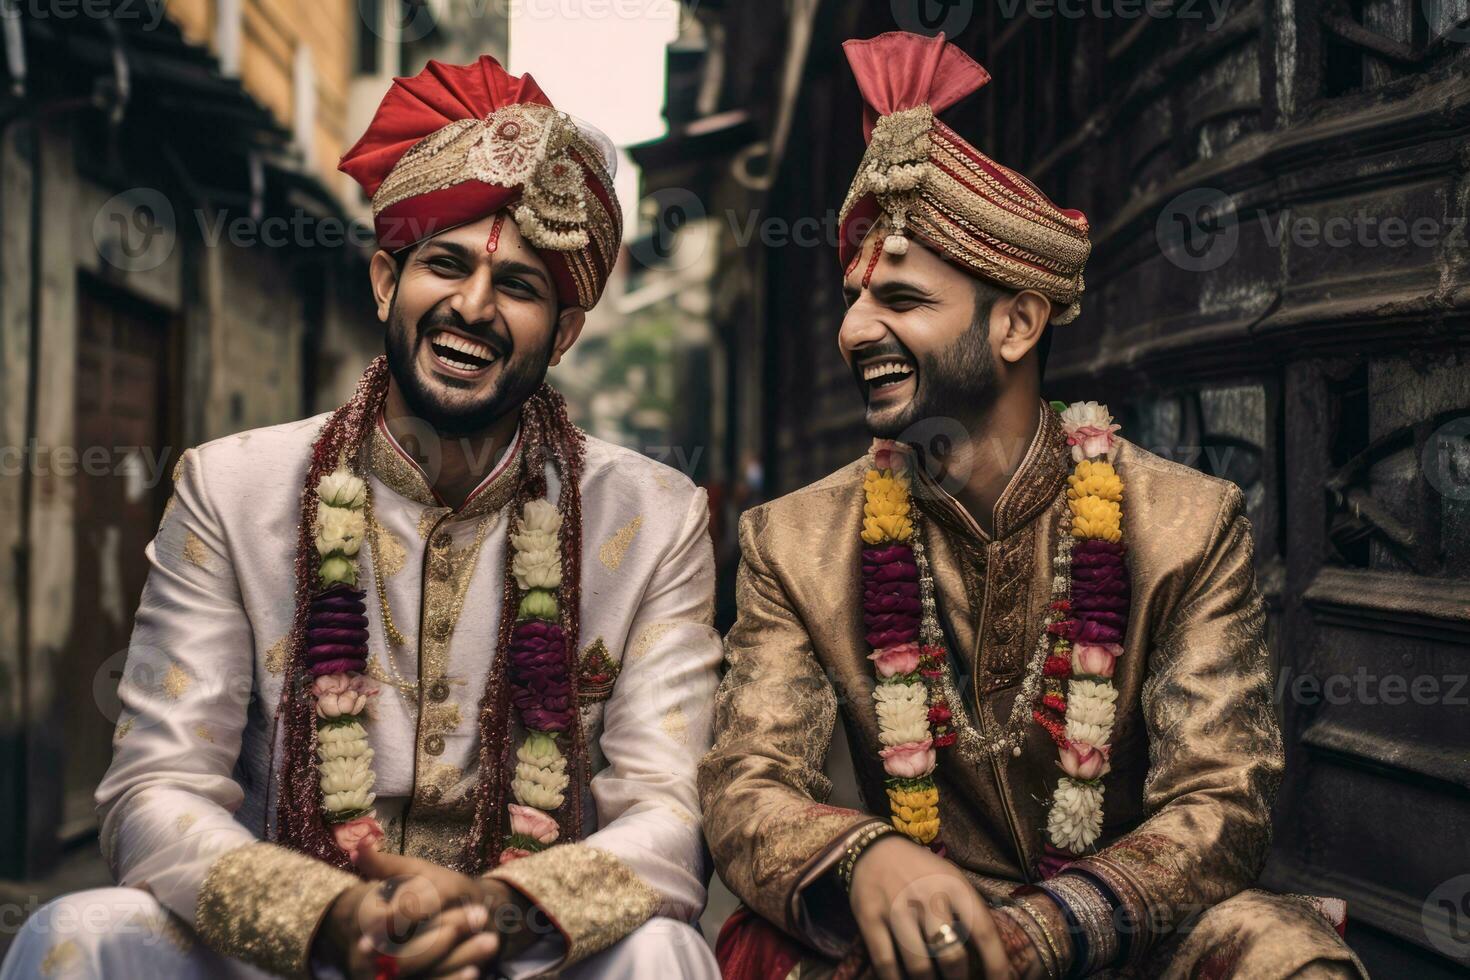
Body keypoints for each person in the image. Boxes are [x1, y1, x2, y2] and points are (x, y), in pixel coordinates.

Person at [2, 56, 721, 980]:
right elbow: (156, 788)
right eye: (445, 264)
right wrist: (328, 913)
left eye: (521, 287)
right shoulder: (233, 487)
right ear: (387, 280)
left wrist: (502, 909)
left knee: (663, 952)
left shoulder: (655, 518)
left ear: (565, 332)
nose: (473, 306)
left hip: (519, 950)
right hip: (289, 950)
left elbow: (670, 813)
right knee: (80, 934)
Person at [700, 31, 1365, 979]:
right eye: (854, 298)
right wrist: (868, 859)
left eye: (900, 298)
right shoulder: (796, 542)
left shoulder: (1186, 523)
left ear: (1015, 322)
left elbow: (1221, 803)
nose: (854, 330)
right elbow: (745, 785)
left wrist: (1048, 929)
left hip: (1118, 936)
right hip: (920, 943)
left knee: (1280, 952)